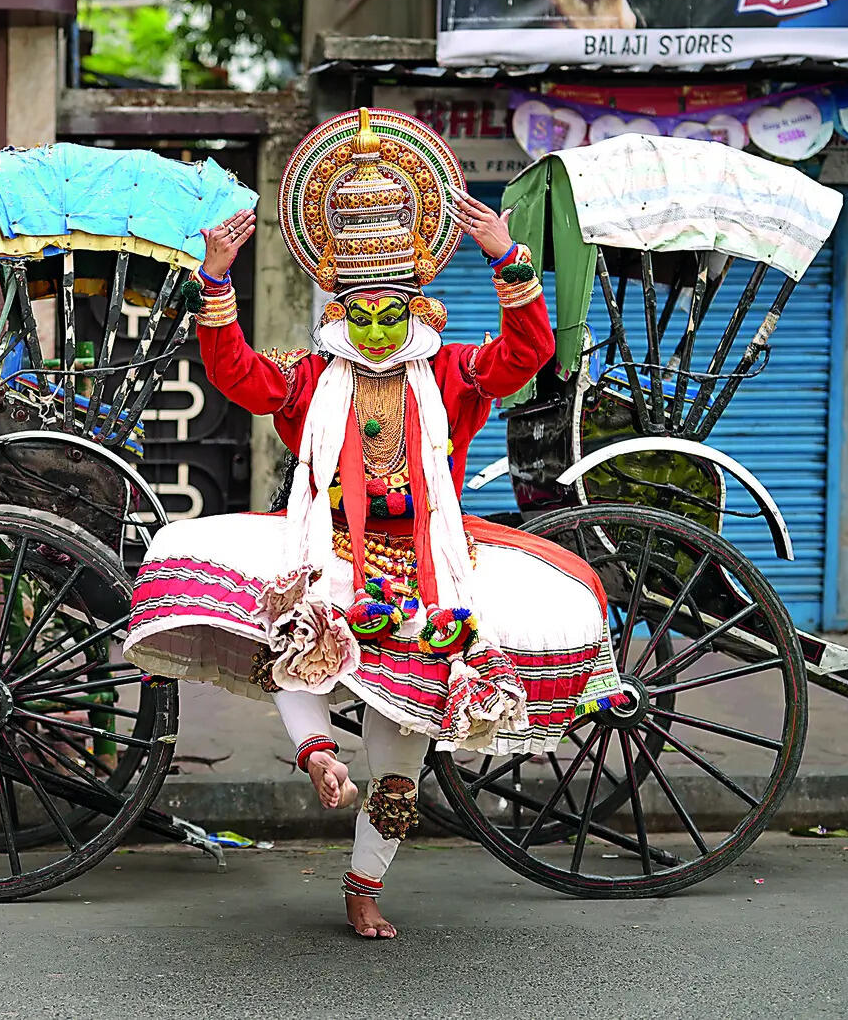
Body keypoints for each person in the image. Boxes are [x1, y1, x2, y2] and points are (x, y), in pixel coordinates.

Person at [124, 108, 623, 939]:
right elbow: (237, 374)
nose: (379, 325)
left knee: (399, 767)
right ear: (340, 308)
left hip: (432, 576)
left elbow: (527, 353)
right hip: (335, 557)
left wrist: (508, 256)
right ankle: (318, 754)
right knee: (297, 635)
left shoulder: (457, 373)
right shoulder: (311, 375)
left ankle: (362, 885)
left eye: (392, 308)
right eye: (362, 310)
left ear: (417, 303)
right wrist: (215, 280)